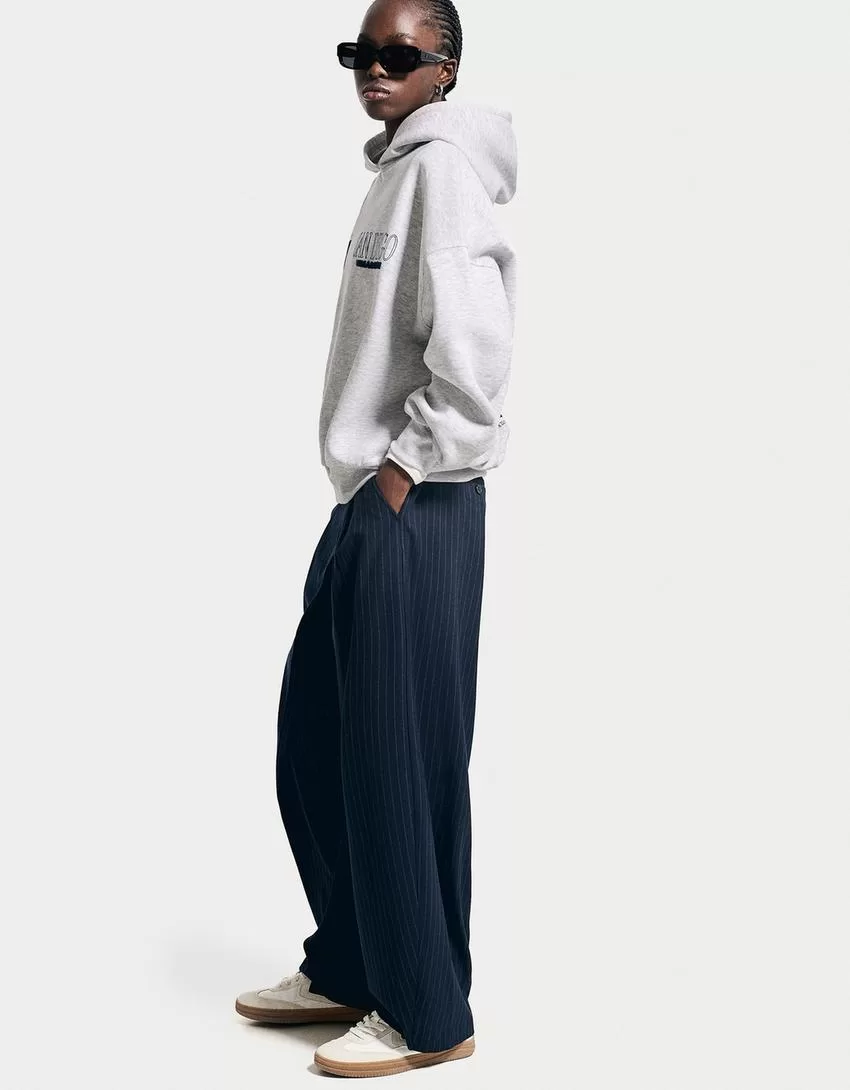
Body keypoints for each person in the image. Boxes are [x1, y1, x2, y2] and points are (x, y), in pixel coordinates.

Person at [235, 0, 517, 1077]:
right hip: (368, 500)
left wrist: (406, 466)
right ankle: (353, 962)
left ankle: (426, 1010)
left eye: (401, 54)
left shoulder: (441, 173)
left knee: (402, 762)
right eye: (361, 52)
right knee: (316, 744)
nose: (376, 69)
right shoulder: (396, 172)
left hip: (418, 504)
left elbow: (474, 358)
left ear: (446, 67)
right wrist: (371, 484)